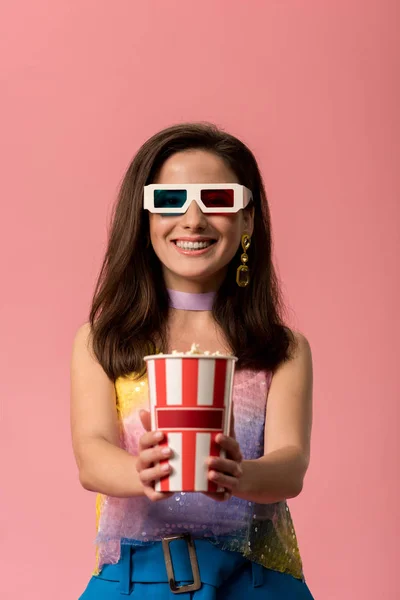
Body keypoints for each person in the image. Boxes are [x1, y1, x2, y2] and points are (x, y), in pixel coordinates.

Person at [71, 122, 314, 599]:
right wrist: (140, 471)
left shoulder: (282, 347)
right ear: (144, 220)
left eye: (218, 199)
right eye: (168, 201)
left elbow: (291, 466)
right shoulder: (102, 340)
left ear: (247, 220)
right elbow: (91, 454)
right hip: (133, 582)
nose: (193, 219)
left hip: (257, 583)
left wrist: (242, 474)